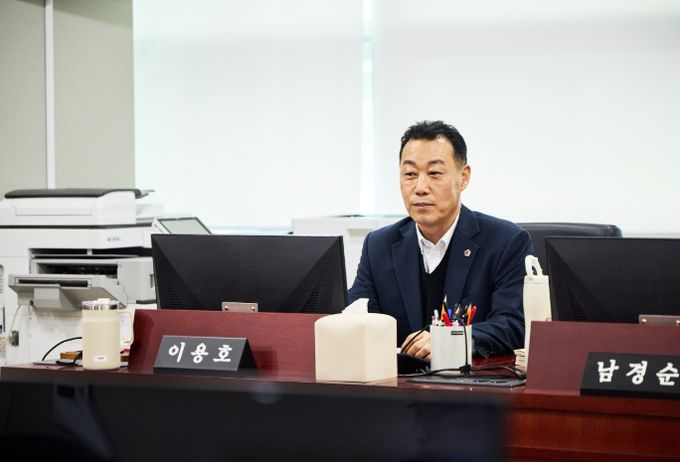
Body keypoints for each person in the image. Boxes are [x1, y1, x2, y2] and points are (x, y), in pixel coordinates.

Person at [348, 120, 533, 359]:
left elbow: (514, 325)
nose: (420, 188)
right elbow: (358, 320)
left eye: (434, 173)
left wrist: (450, 341)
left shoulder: (506, 242)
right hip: (397, 379)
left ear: (463, 177)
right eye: (410, 174)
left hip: (473, 380)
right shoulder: (378, 246)